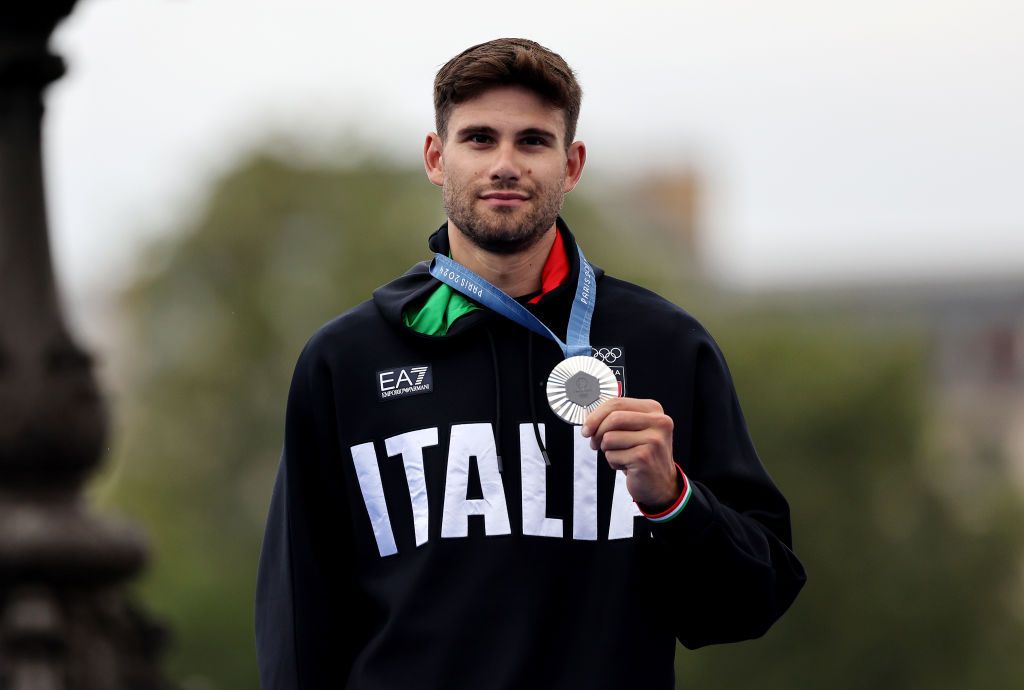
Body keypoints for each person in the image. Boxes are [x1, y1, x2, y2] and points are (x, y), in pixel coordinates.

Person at [255, 37, 806, 690]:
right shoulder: (348, 360)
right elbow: (299, 621)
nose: (506, 164)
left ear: (571, 165)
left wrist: (673, 500)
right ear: (437, 158)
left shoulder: (665, 346)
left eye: (533, 142)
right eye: (480, 139)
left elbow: (751, 603)